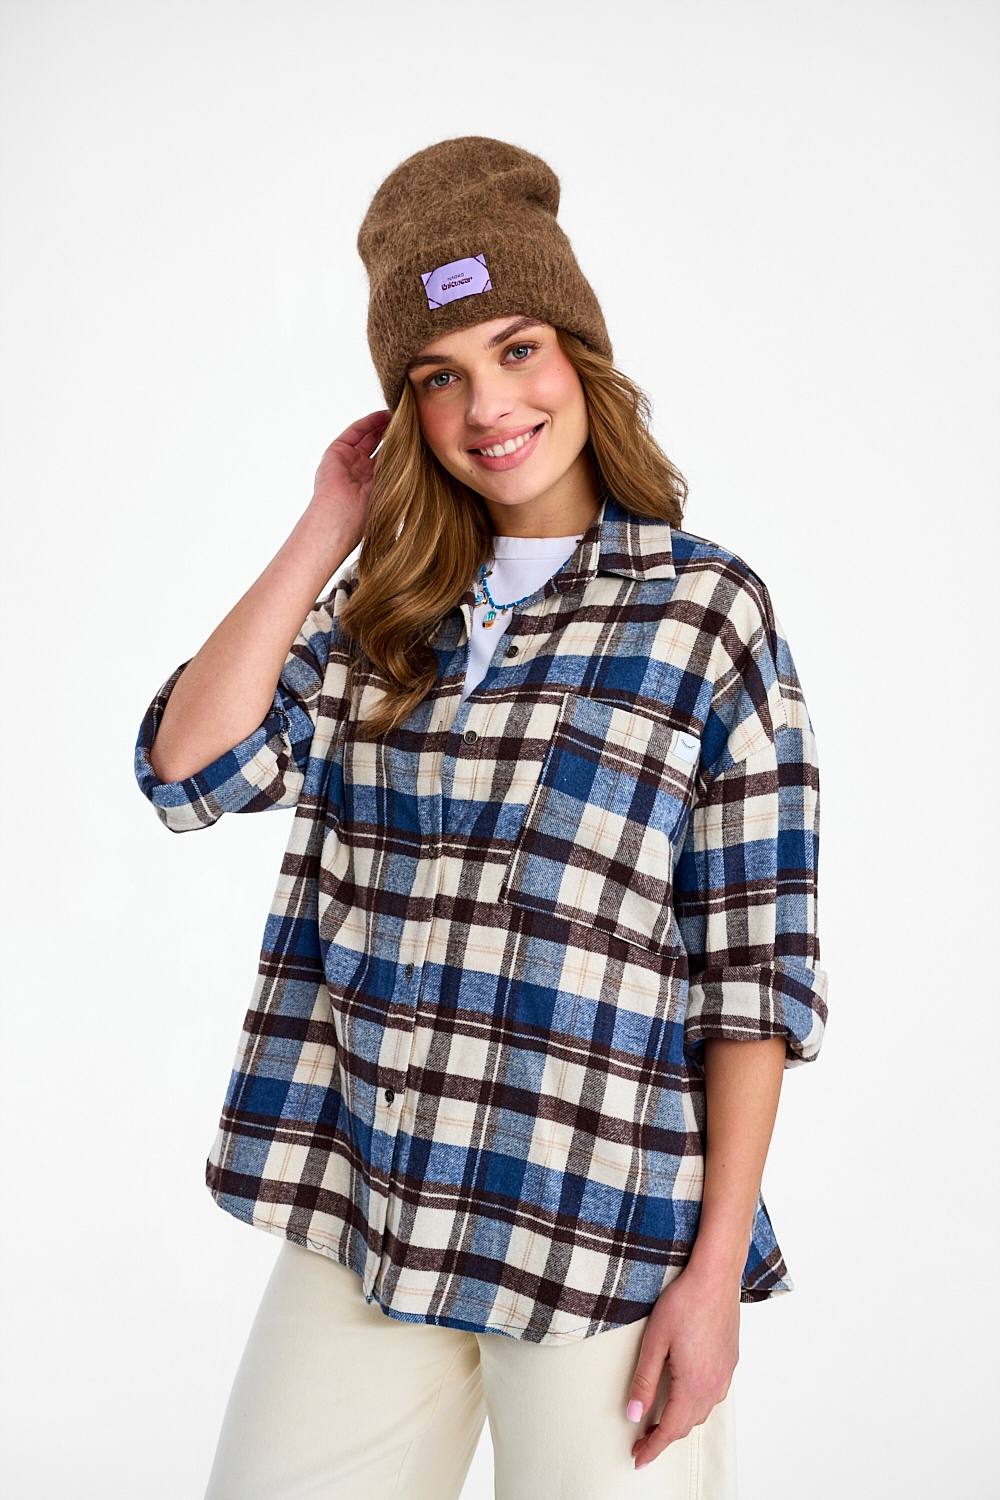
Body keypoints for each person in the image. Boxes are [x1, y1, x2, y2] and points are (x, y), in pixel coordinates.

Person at [133, 135, 829, 1500]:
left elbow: (754, 973)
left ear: (581, 356)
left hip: (601, 1240)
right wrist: (331, 524)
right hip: (369, 1218)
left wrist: (713, 1279)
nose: (489, 405)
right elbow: (188, 774)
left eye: (517, 350)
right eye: (438, 376)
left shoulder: (706, 615)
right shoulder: (385, 613)